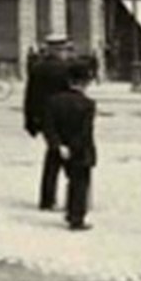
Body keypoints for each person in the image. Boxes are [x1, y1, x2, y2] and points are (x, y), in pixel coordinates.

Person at [43, 62, 97, 231]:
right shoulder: (88, 104)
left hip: (59, 146)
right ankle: (76, 217)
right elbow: (85, 132)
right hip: (79, 148)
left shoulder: (53, 101)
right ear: (84, 83)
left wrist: (57, 144)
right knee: (79, 183)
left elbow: (48, 127)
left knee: (59, 176)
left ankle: (55, 204)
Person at [23, 34, 71, 211]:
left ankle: (47, 198)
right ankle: (74, 197)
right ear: (59, 50)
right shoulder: (66, 68)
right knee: (65, 155)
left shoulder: (37, 68)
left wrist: (30, 121)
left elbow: (29, 96)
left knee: (53, 155)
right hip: (64, 118)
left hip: (45, 119)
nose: (65, 52)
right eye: (64, 49)